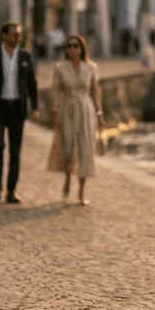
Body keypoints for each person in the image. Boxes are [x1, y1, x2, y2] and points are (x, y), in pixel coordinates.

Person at [0, 21, 39, 203]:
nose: (18, 38)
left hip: (17, 109)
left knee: (15, 151)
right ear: (3, 36)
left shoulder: (26, 57)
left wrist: (34, 107)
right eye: (14, 35)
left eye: (19, 35)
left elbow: (32, 85)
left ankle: (11, 190)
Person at [47, 34, 103, 205]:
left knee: (85, 148)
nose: (72, 49)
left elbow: (95, 91)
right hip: (67, 108)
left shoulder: (91, 67)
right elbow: (56, 90)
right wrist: (55, 111)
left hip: (86, 109)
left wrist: (99, 113)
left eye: (76, 46)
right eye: (69, 46)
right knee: (68, 146)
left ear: (82, 48)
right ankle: (67, 177)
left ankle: (81, 190)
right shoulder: (60, 67)